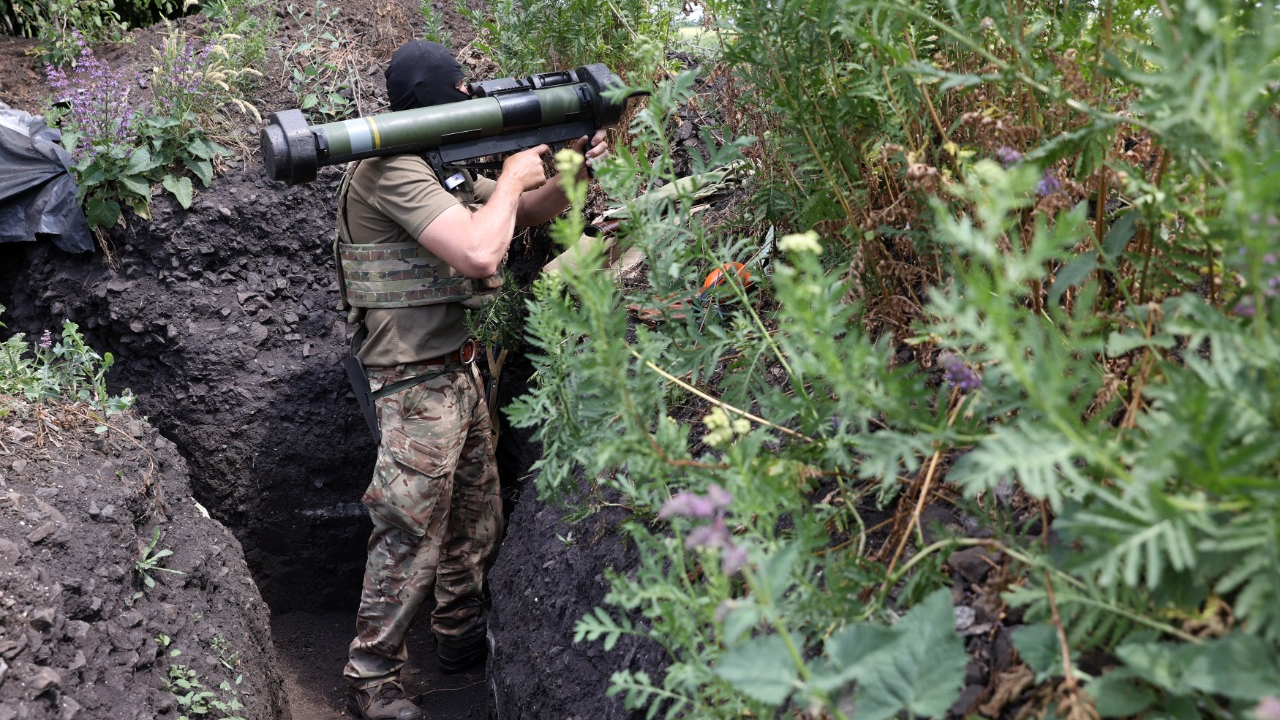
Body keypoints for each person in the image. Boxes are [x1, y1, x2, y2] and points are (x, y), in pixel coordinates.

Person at [337, 39, 609, 720]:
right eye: (459, 90)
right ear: (435, 96)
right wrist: (515, 176)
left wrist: (573, 163)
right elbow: (482, 249)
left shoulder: (436, 168)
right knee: (409, 530)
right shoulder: (390, 169)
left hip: (455, 369)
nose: (467, 100)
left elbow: (533, 212)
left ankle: (457, 641)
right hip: (410, 380)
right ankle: (372, 677)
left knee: (475, 519)